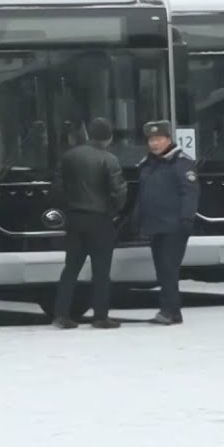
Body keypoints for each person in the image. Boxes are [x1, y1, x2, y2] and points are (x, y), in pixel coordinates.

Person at [49, 117, 128, 329]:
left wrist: (68, 206)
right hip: (100, 219)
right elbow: (118, 191)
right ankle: (100, 316)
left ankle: (61, 314)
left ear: (88, 135)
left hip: (74, 218)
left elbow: (57, 187)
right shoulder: (109, 159)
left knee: (71, 267)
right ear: (108, 138)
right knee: (101, 269)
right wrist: (114, 210)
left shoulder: (69, 156)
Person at [135, 120, 198, 326]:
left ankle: (169, 310)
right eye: (151, 140)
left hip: (174, 226)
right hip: (155, 225)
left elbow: (189, 192)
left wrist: (186, 219)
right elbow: (143, 195)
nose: (154, 144)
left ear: (168, 140)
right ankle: (172, 311)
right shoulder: (148, 164)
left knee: (169, 268)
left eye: (158, 139)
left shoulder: (181, 162)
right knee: (162, 270)